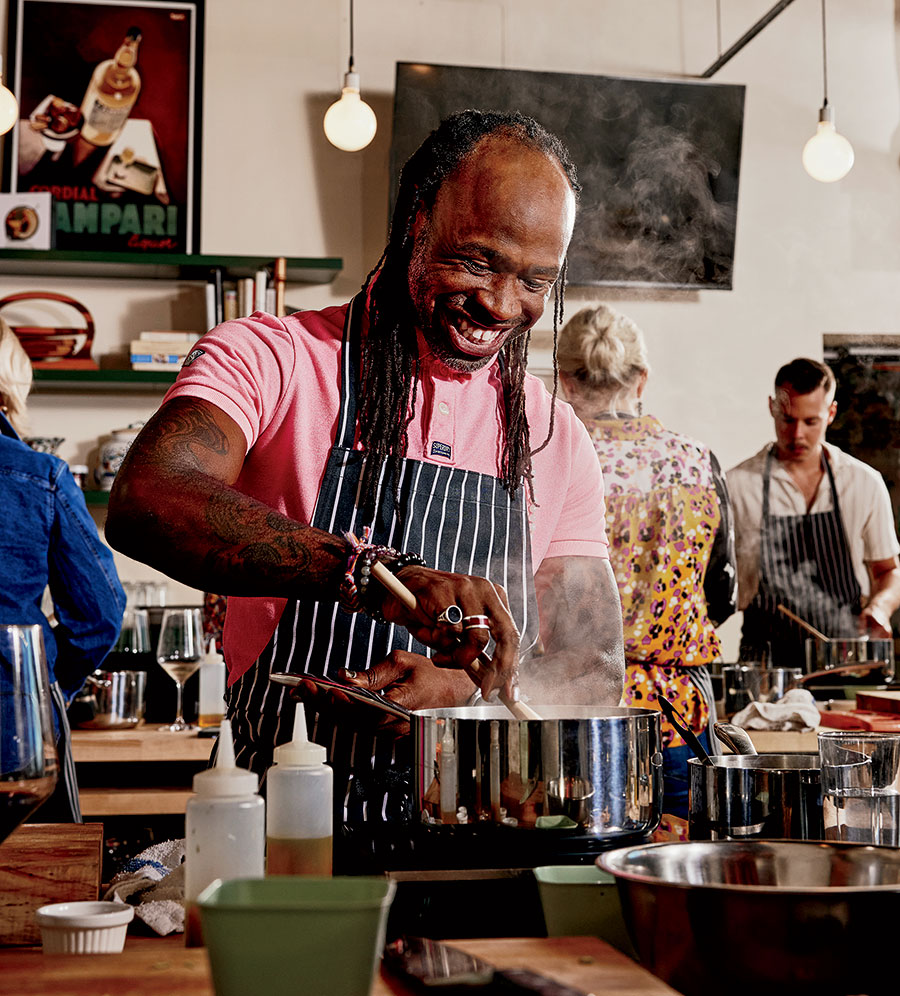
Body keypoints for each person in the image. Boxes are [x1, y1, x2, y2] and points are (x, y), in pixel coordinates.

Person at [106, 110, 625, 834]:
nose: (503, 305)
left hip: (485, 843)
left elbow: (592, 668)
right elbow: (148, 497)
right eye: (477, 262)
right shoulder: (273, 359)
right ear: (416, 221)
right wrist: (375, 575)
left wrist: (463, 692)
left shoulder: (551, 434)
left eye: (536, 280)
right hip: (290, 832)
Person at [556, 303, 736, 818]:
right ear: (641, 379)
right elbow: (723, 592)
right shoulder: (697, 461)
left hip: (582, 708)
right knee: (680, 861)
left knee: (586, 861)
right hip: (682, 709)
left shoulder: (554, 461)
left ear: (566, 382)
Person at [0, 318, 126, 822]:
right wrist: (40, 683)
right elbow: (100, 616)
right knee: (41, 888)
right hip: (16, 734)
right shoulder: (39, 475)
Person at [728, 357, 900, 668]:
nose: (796, 435)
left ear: (831, 413)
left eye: (811, 422)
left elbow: (888, 571)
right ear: (772, 407)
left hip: (844, 660)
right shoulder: (737, 485)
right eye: (787, 419)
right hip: (765, 665)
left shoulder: (863, 482)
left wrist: (880, 608)